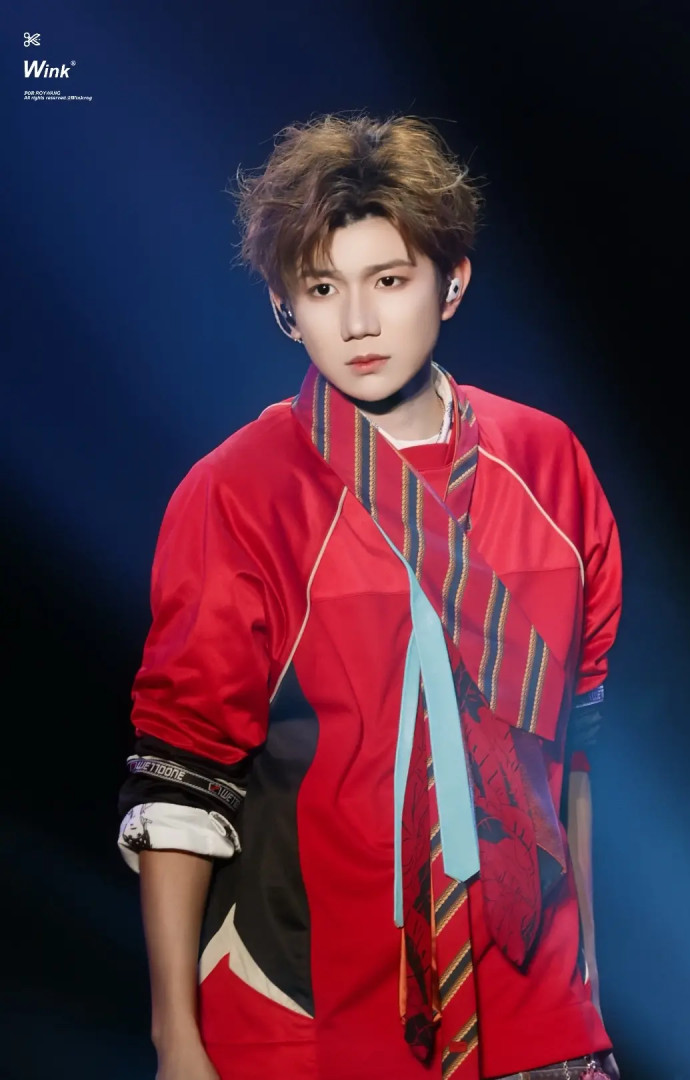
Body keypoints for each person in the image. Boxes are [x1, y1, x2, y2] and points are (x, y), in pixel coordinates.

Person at [117, 112, 622, 1080]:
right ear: (286, 307)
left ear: (452, 283)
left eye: (388, 281)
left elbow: (572, 756)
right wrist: (176, 1040)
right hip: (308, 1025)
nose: (356, 323)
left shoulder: (550, 468)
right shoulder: (238, 493)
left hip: (542, 1026)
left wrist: (583, 997)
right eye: (321, 288)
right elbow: (182, 777)